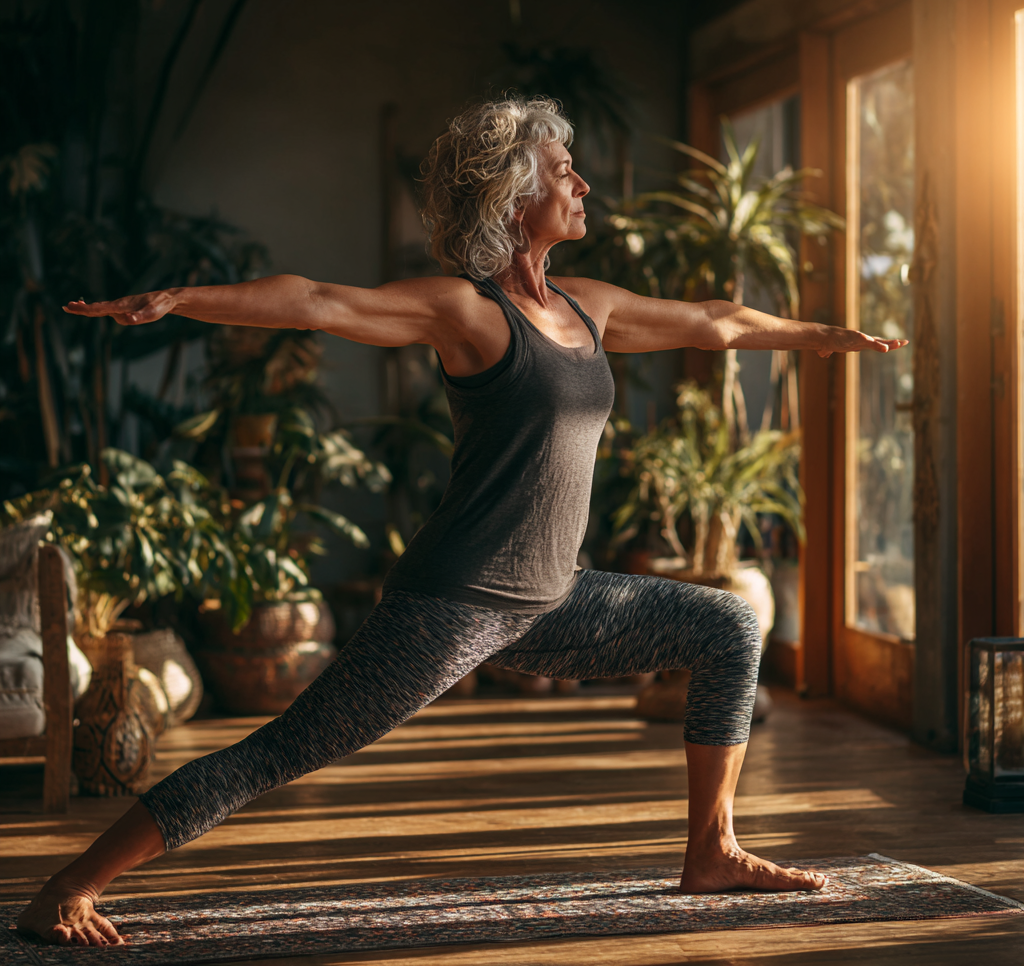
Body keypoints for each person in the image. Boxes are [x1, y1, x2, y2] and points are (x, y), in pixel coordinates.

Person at [18, 97, 906, 947]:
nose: (583, 186)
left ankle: (710, 853)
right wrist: (181, 299)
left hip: (554, 601)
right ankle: (67, 887)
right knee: (277, 755)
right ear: (515, 195)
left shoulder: (588, 308)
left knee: (728, 626)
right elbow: (317, 302)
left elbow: (716, 322)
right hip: (451, 604)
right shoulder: (469, 314)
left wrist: (828, 336)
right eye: (566, 171)